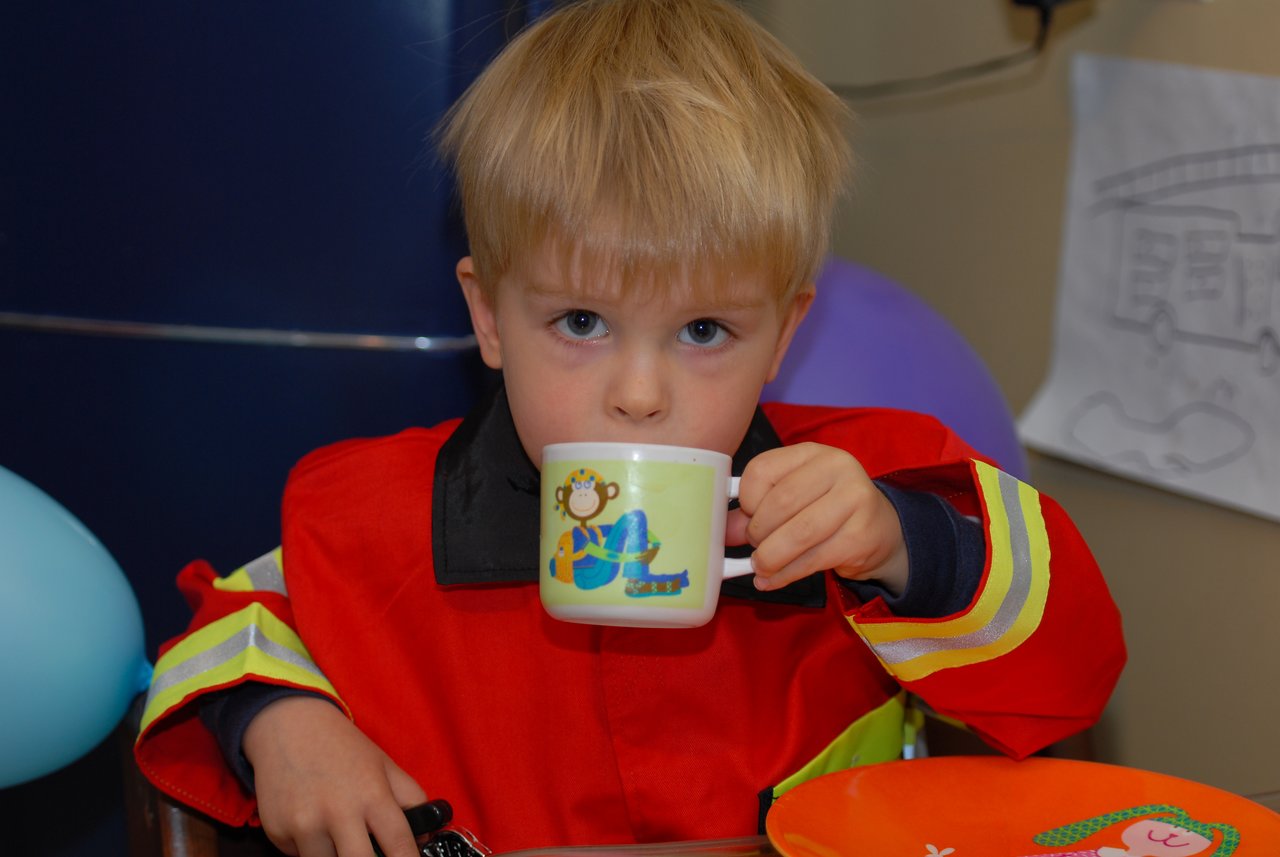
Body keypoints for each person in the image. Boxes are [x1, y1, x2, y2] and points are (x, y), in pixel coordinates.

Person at [134, 1, 1126, 855]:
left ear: (783, 331)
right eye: (579, 322)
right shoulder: (369, 514)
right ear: (487, 317)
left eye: (703, 329)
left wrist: (904, 544)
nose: (640, 393)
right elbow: (219, 630)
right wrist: (279, 716)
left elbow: (1072, 667)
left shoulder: (865, 483)